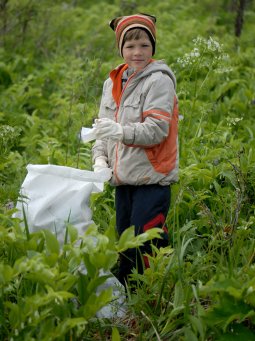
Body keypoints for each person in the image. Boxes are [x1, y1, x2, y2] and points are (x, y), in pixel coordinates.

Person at [92, 13, 179, 287]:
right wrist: (99, 160)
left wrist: (121, 132)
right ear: (121, 49)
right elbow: (100, 129)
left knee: (147, 236)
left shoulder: (159, 80)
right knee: (125, 240)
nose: (137, 52)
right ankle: (127, 297)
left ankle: (156, 294)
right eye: (130, 46)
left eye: (144, 45)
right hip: (123, 178)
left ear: (153, 46)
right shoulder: (112, 83)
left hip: (152, 176)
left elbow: (157, 129)